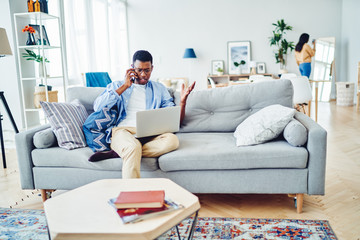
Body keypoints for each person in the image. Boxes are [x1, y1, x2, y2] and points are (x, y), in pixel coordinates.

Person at [85, 50, 196, 179]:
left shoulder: (159, 89)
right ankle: (132, 194)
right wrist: (124, 87)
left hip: (149, 134)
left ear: (152, 68)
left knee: (172, 141)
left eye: (147, 70)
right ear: (132, 68)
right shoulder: (117, 85)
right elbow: (98, 106)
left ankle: (122, 152)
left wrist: (182, 102)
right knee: (132, 146)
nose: (143, 75)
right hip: (123, 131)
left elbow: (173, 120)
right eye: (139, 70)